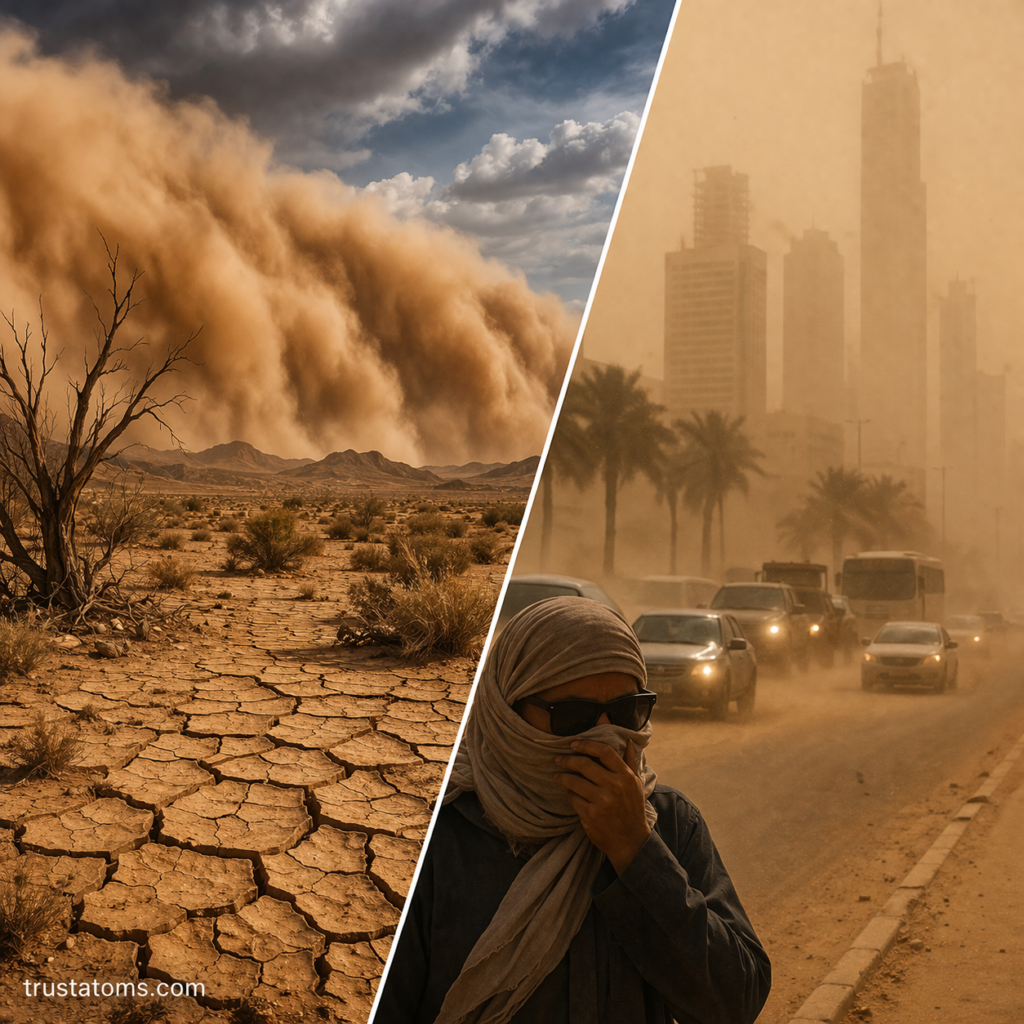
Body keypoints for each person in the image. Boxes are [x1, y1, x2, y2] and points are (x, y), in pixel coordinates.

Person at [372, 597, 771, 1024]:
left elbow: (735, 1004)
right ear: (507, 712)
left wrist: (637, 852)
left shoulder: (668, 823)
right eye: (572, 715)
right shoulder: (444, 835)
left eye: (625, 710)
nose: (604, 737)